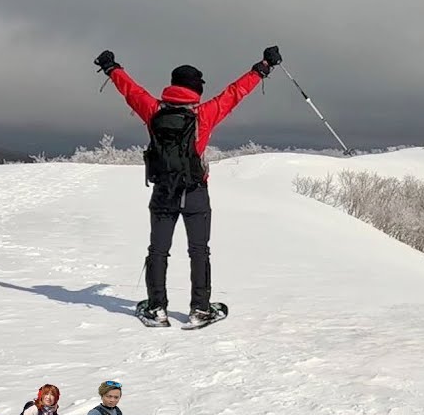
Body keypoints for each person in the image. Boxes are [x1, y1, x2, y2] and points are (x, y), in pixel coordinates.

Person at [93, 46, 282, 327]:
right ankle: (200, 309)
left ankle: (156, 309)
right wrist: (263, 67)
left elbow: (131, 90)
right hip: (195, 193)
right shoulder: (205, 114)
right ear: (196, 89)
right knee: (199, 250)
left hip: (163, 193)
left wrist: (111, 67)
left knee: (158, 250)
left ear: (172, 85)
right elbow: (235, 93)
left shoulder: (153, 110)